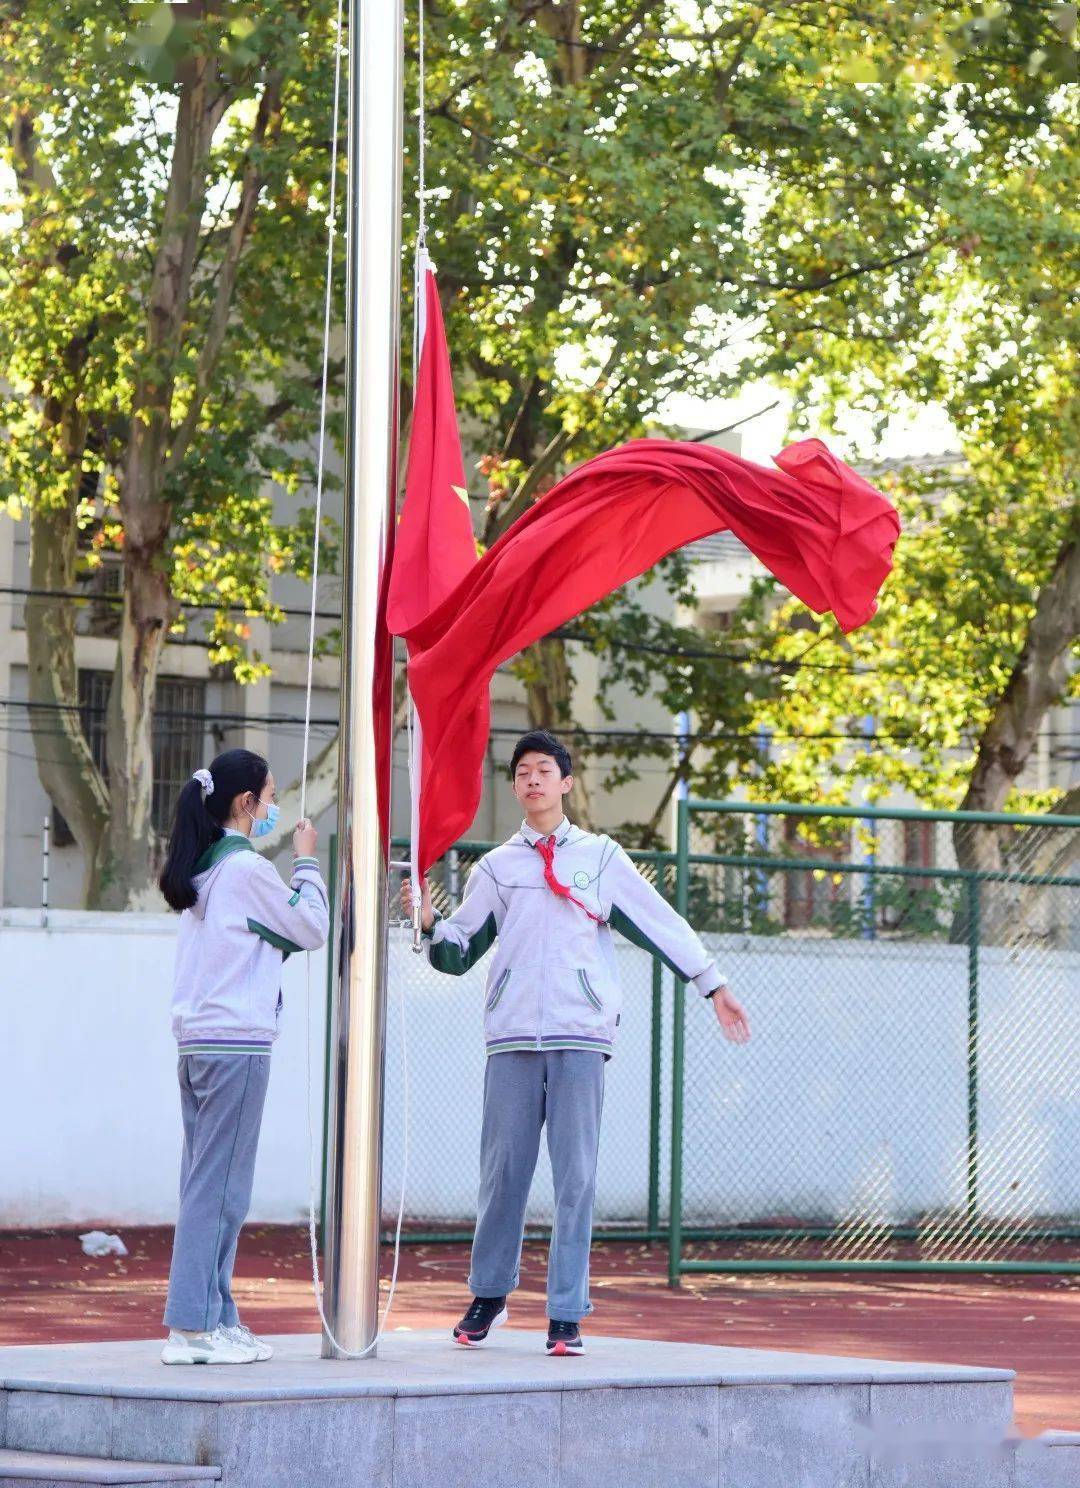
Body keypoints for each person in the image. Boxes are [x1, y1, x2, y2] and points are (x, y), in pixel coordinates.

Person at [402, 728, 750, 1356]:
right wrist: (428, 921)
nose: (532, 780)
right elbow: (458, 950)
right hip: (510, 1040)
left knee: (577, 1178)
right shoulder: (498, 868)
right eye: (522, 772)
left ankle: (566, 1312)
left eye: (544, 770)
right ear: (514, 787)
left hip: (580, 1037)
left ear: (566, 782)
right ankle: (489, 1295)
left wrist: (711, 982)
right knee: (503, 1173)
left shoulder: (601, 858)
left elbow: (659, 923)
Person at [157, 749, 329, 1365]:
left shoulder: (203, 871)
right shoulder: (245, 870)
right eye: (270, 795)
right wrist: (307, 861)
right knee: (221, 1191)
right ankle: (194, 1326)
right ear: (244, 804)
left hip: (200, 1044)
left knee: (208, 1186)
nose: (275, 807)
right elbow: (309, 928)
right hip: (235, 1046)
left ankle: (214, 1314)